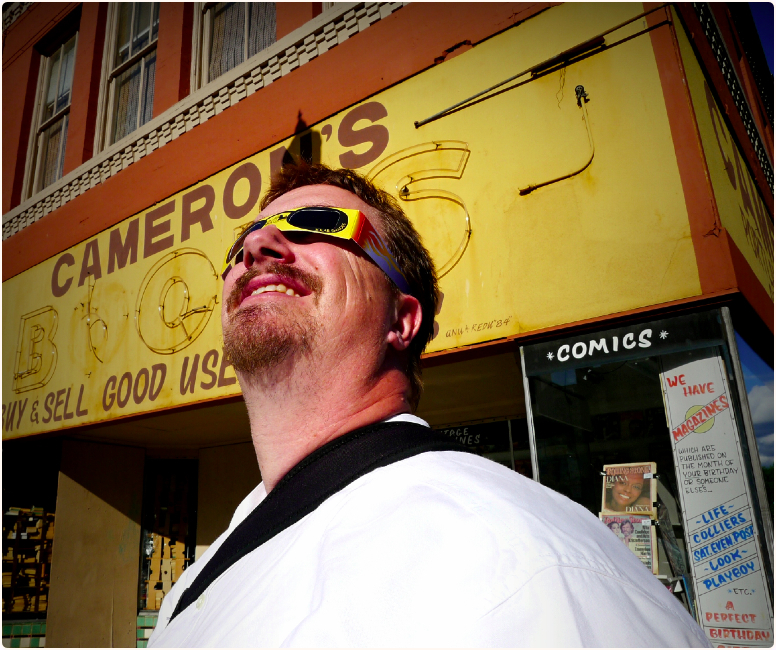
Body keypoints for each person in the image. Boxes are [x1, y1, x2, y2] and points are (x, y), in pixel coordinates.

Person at [149, 163, 709, 647]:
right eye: (242, 241)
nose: (257, 247)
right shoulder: (209, 565)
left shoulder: (517, 561)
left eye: (318, 225)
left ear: (402, 318)